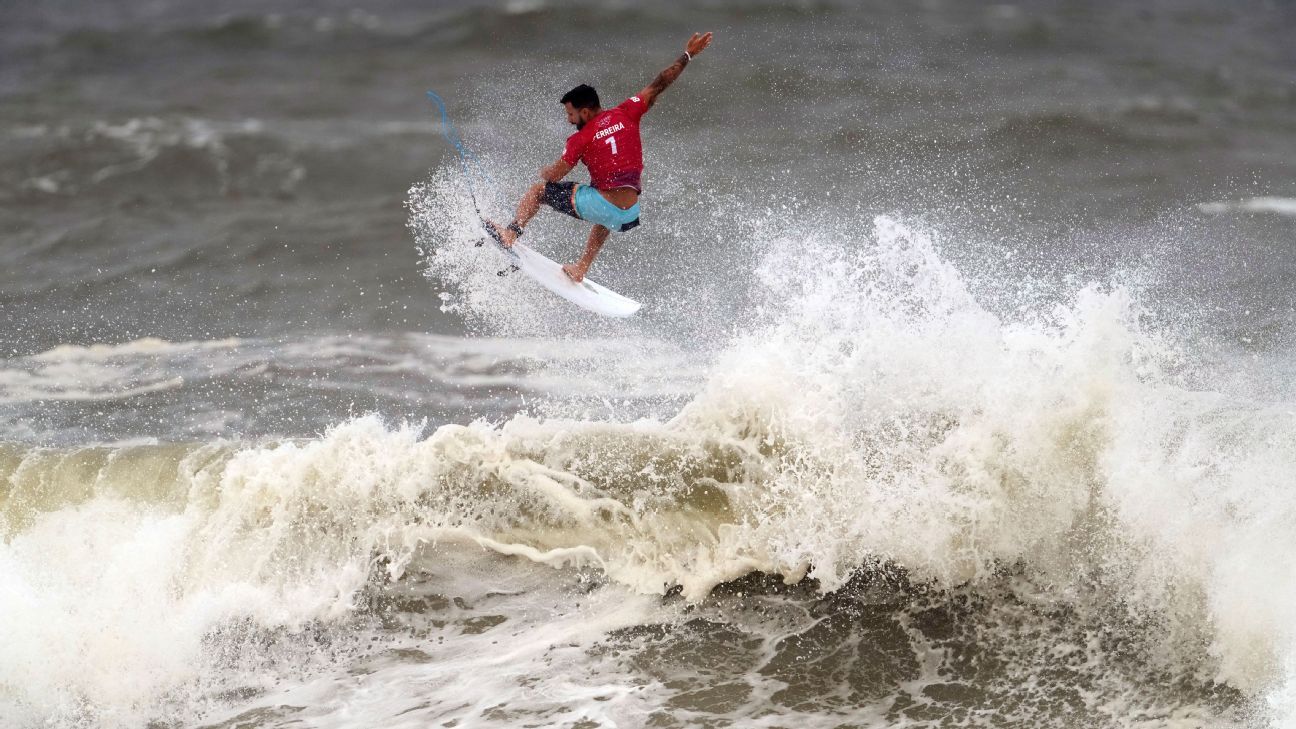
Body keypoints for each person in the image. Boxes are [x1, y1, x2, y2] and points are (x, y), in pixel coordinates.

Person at [485, 32, 714, 282]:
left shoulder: (580, 139)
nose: (569, 120)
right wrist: (688, 54)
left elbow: (557, 175)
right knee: (602, 202)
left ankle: (510, 234)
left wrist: (546, 172)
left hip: (604, 205)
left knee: (538, 191)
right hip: (628, 214)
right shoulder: (628, 112)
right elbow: (660, 83)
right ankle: (582, 267)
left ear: (585, 111)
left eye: (571, 115)